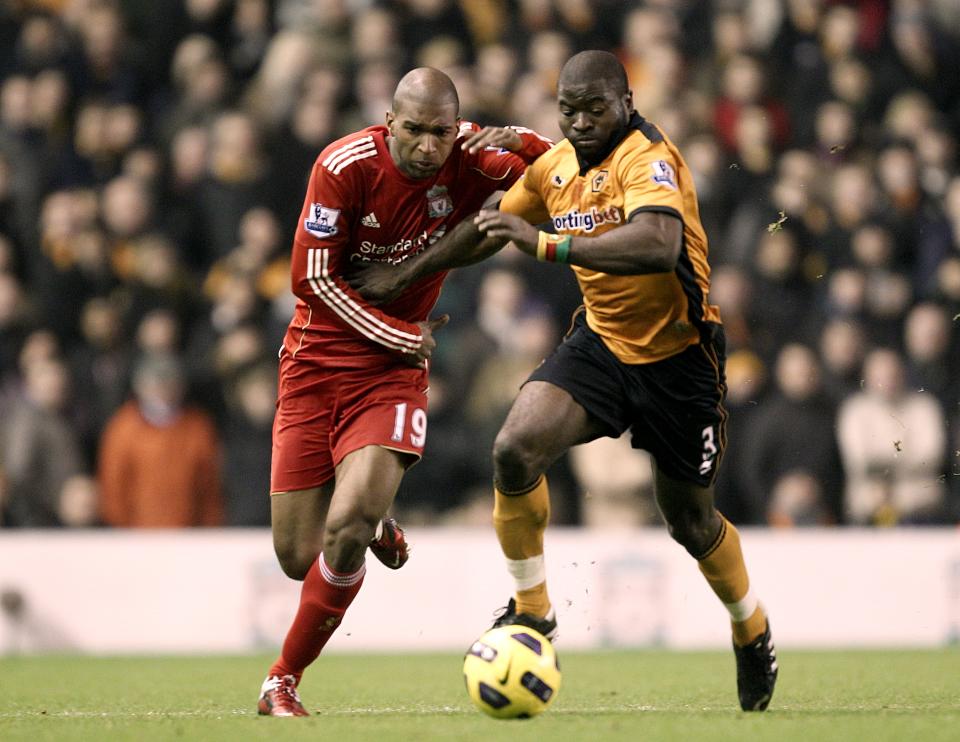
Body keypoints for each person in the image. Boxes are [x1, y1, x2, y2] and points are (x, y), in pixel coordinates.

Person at [350, 51, 778, 712]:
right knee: (513, 449)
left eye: (594, 108)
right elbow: (488, 230)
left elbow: (656, 245)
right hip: (602, 346)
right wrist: (405, 276)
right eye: (568, 109)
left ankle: (751, 630)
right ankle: (534, 611)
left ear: (627, 102)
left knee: (690, 521)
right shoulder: (554, 168)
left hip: (680, 361)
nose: (580, 121)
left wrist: (547, 245)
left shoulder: (648, 159)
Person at [257, 67, 552, 717]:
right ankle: (372, 517)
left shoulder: (470, 154)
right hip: (314, 365)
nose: (426, 145)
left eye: (439, 132)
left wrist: (523, 143)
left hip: (391, 375)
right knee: (295, 555)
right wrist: (394, 328)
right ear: (390, 122)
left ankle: (282, 680)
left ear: (455, 128)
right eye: (413, 129)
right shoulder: (343, 166)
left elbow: (558, 169)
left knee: (346, 529)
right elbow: (310, 281)